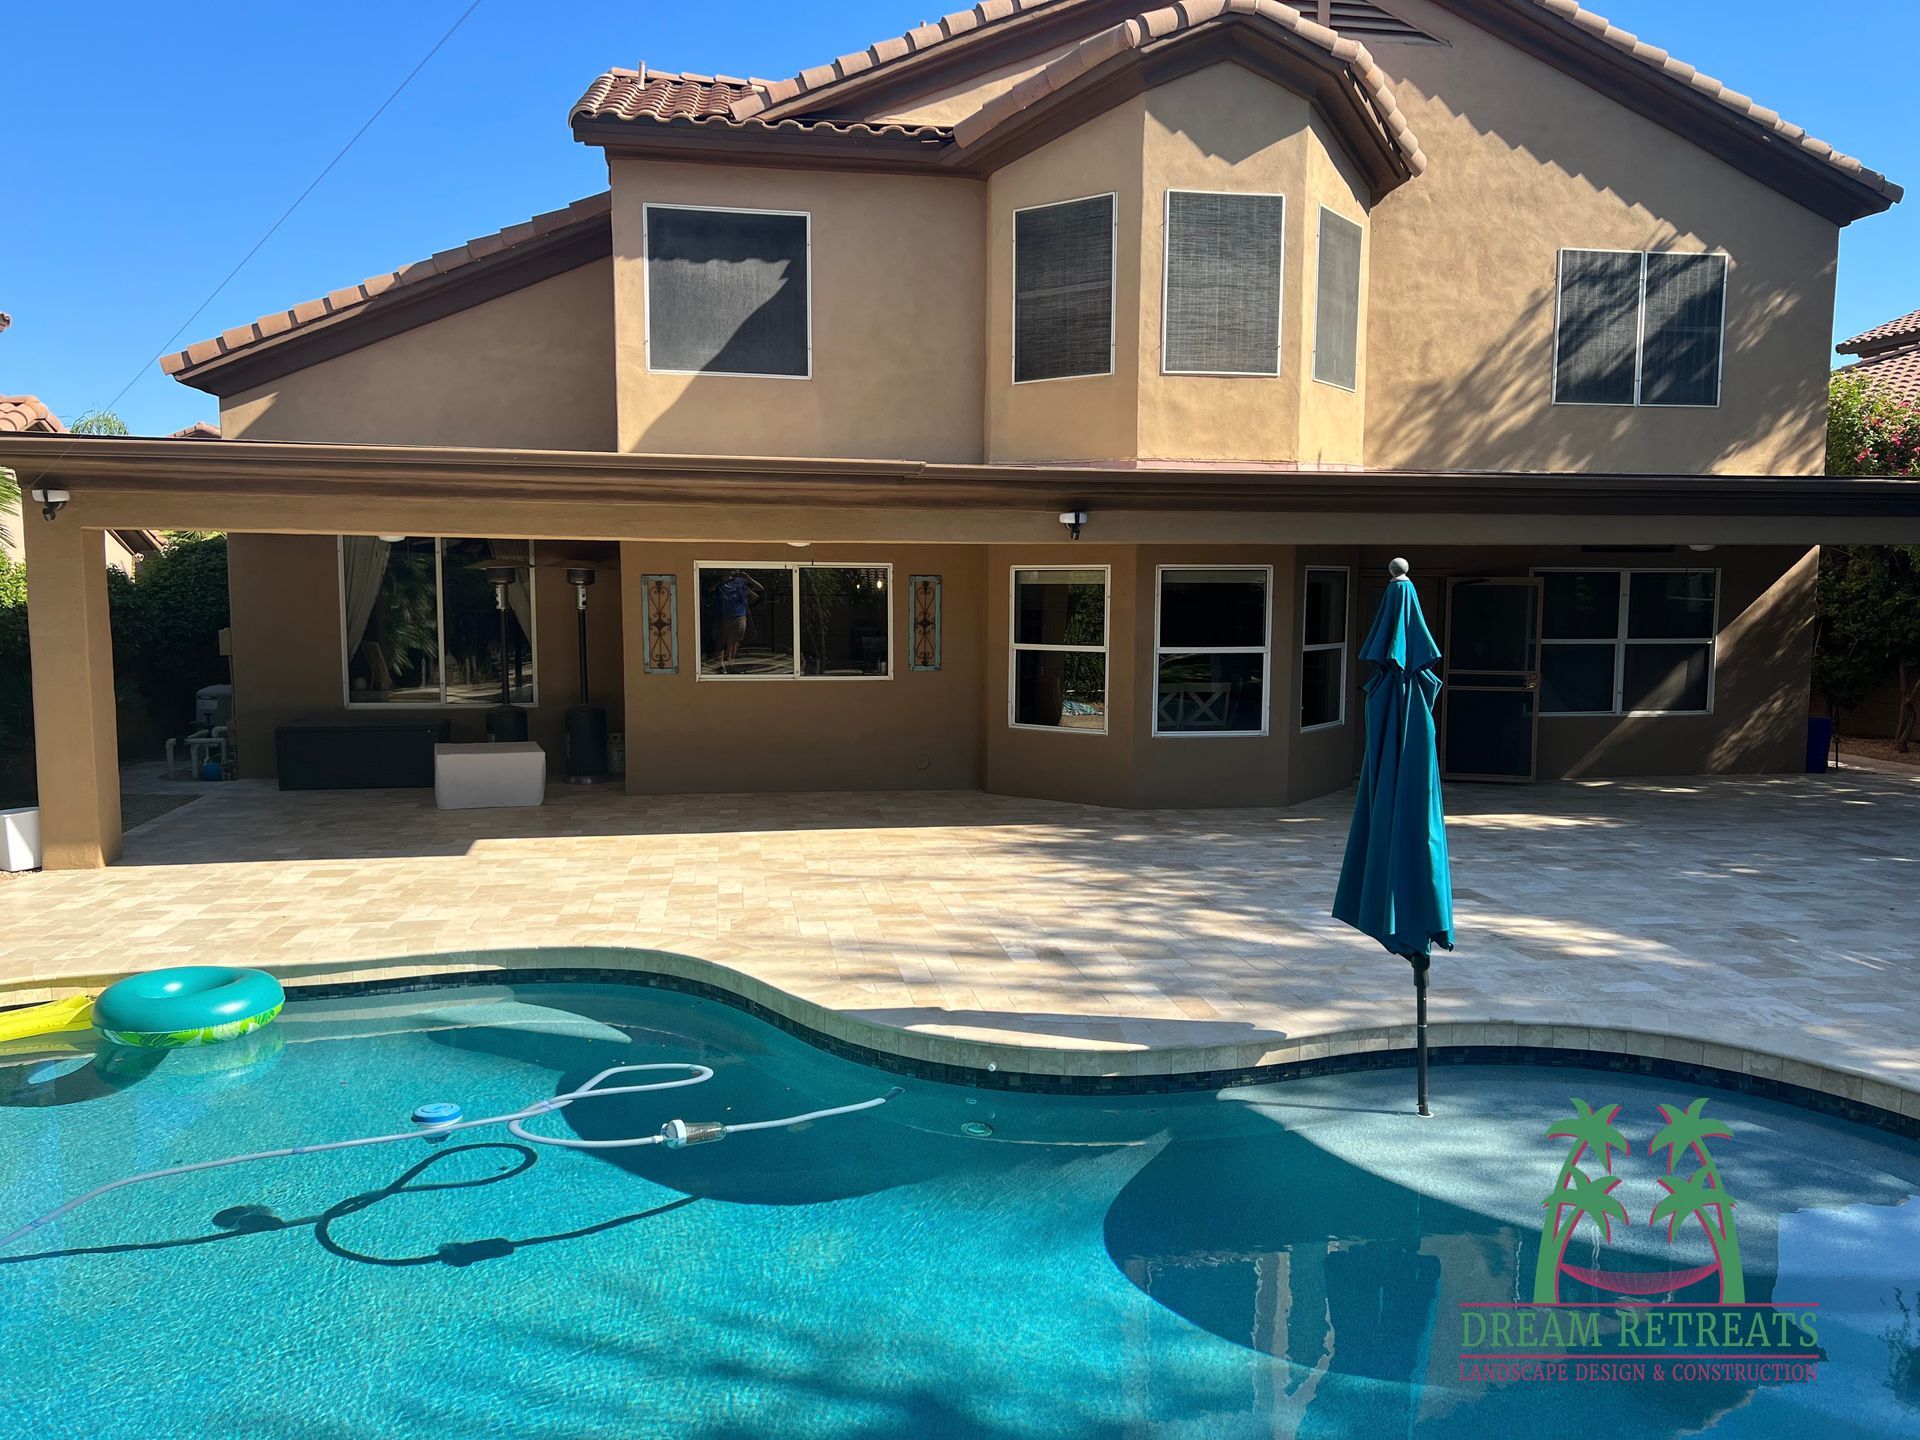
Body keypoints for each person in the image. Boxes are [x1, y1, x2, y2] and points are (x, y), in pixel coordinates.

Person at [715, 569, 762, 672]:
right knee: (722, 641)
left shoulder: (741, 582)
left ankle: (730, 664)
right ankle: (721, 665)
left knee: (734, 642)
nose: (733, 573)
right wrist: (723, 581)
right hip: (724, 616)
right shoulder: (721, 583)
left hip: (739, 616)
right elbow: (711, 589)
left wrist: (748, 577)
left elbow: (760, 589)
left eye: (735, 570)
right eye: (730, 571)